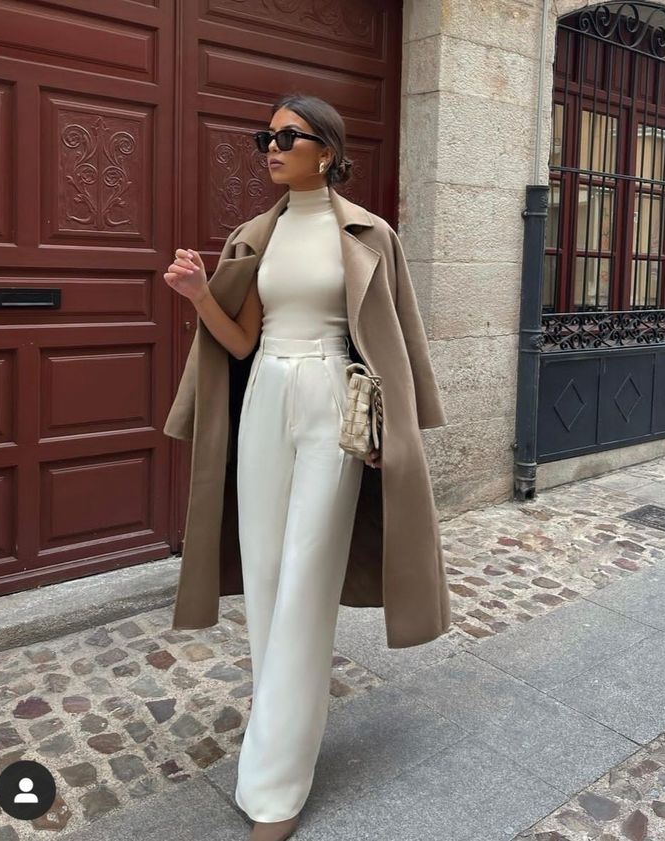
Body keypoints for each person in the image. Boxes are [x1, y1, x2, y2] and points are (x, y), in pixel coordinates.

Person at [163, 93, 448, 841]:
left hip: (332, 403)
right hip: (264, 400)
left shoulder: (367, 233)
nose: (270, 146)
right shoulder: (254, 235)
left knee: (305, 578)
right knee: (263, 575)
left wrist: (399, 427)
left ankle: (276, 788)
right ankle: (278, 732)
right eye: (266, 135)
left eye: (285, 136)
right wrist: (197, 294)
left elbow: (395, 339)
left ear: (325, 149)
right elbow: (238, 340)